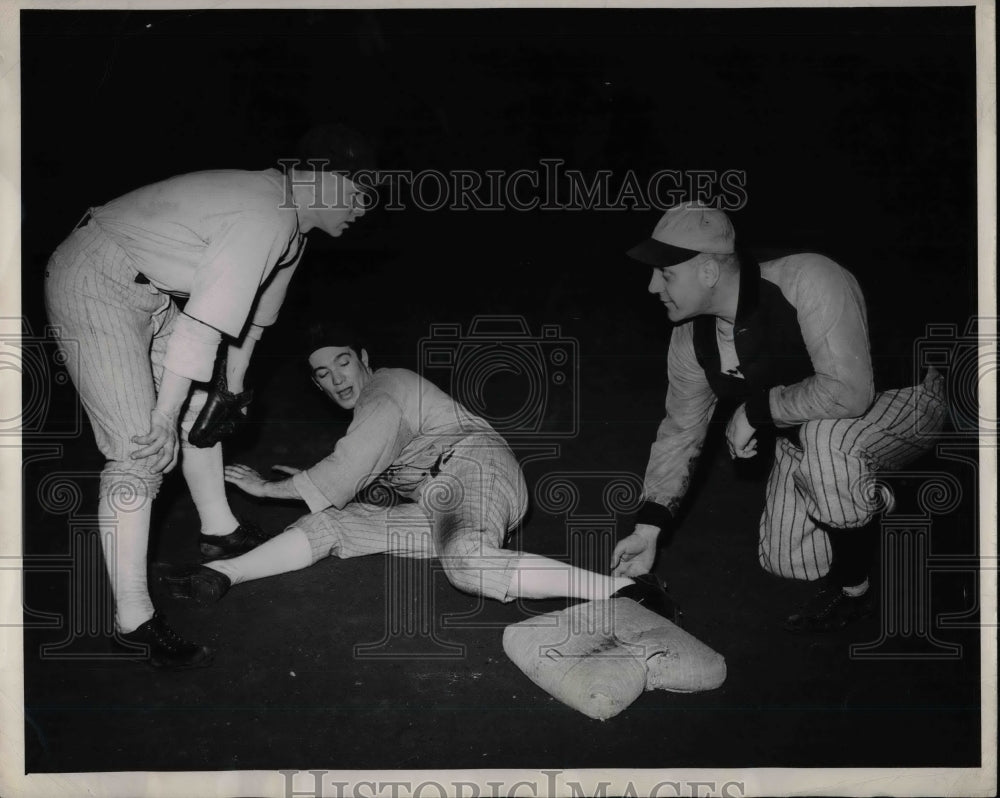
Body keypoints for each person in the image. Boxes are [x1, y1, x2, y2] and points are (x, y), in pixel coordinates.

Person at [44, 125, 373, 668]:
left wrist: (231, 389)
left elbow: (250, 324)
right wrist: (164, 415)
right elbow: (202, 326)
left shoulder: (292, 232)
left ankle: (219, 532)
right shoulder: (266, 214)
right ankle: (133, 622)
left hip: (155, 289)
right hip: (96, 278)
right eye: (359, 192)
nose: (363, 207)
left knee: (204, 413)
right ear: (323, 181)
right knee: (141, 449)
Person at [157, 324, 676, 619]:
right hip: (436, 498)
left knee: (466, 565)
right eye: (323, 373)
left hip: (473, 469)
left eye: (343, 362)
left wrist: (274, 488)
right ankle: (221, 574)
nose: (337, 379)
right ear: (317, 384)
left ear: (363, 358)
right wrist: (329, 482)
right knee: (332, 523)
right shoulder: (370, 410)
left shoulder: (386, 389)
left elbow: (350, 463)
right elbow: (364, 471)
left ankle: (626, 592)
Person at [610, 203, 947, 633]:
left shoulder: (808, 277)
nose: (653, 285)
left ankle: (855, 593)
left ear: (709, 272)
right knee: (787, 559)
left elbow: (849, 392)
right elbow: (680, 431)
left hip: (905, 398)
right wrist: (649, 527)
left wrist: (757, 409)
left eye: (666, 273)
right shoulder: (688, 338)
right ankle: (881, 499)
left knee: (830, 444)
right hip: (809, 430)